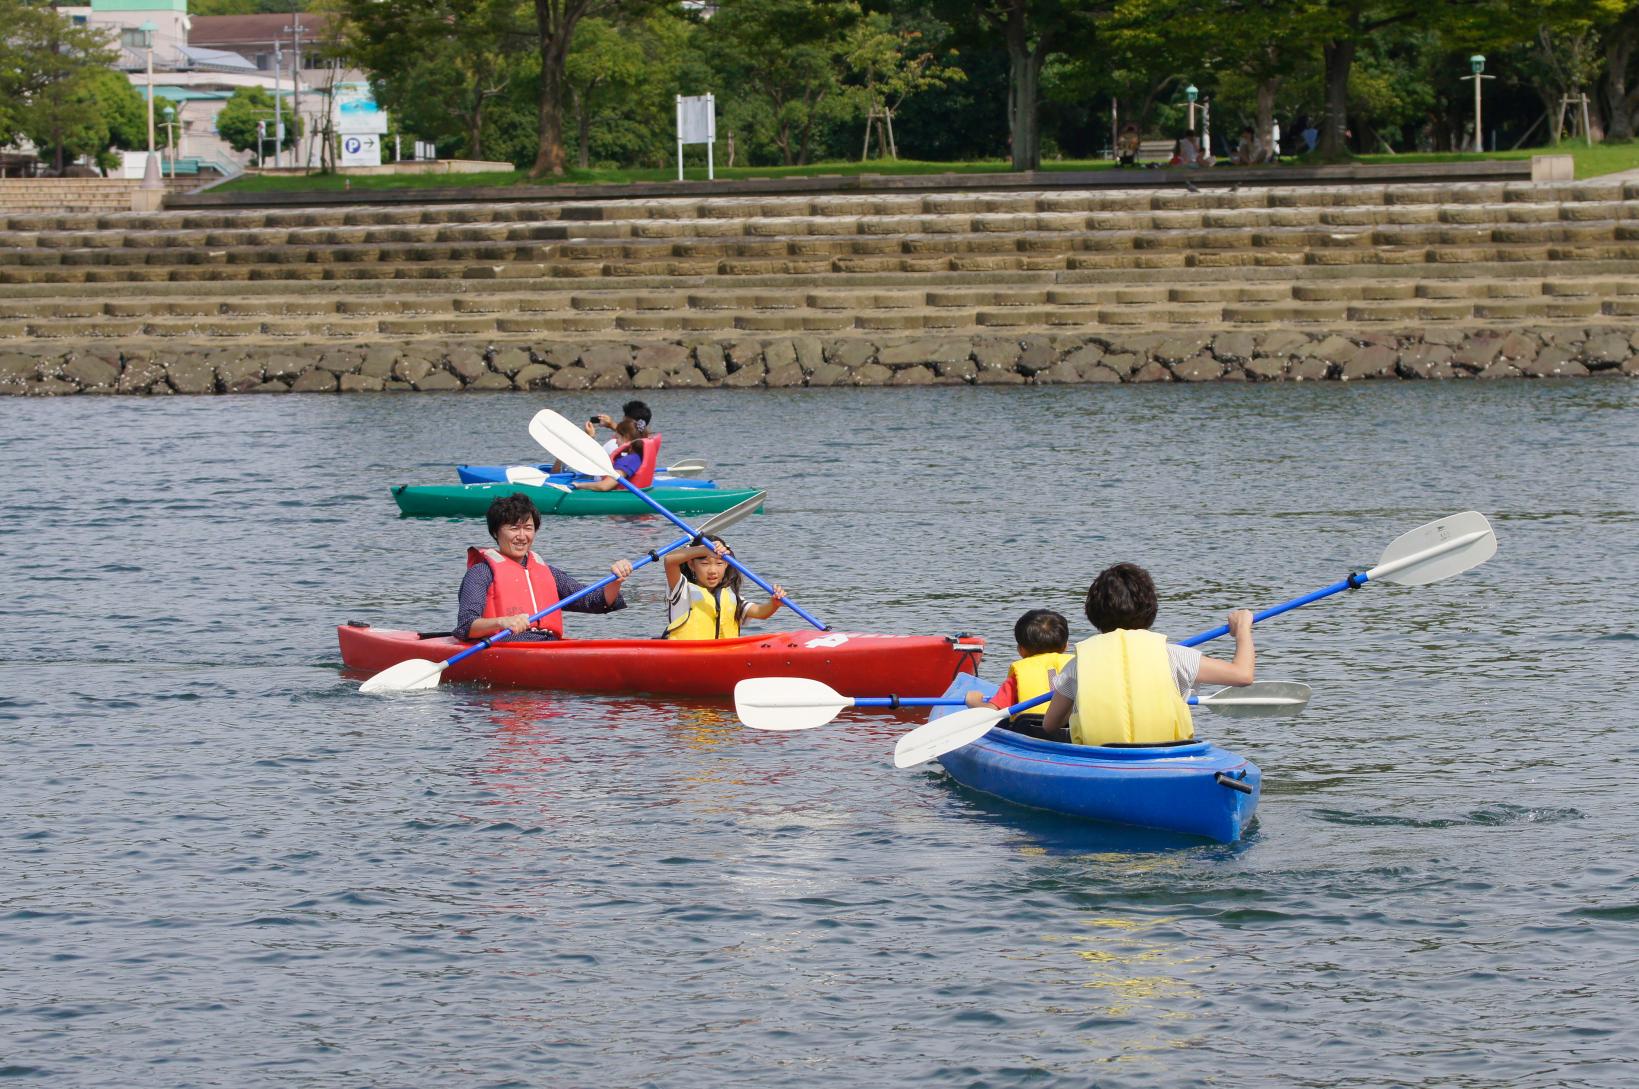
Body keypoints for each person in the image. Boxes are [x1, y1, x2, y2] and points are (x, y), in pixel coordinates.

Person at [1040, 563, 1254, 746]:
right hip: (1163, 760)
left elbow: (1050, 725)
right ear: (1151, 610)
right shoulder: (1176, 656)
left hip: (1101, 762)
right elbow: (1242, 675)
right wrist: (1243, 628)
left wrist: (1081, 703)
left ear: (1093, 615)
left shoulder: (1079, 665)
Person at [455, 493, 631, 641]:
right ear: (495, 532)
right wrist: (503, 622)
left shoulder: (547, 572)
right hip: (505, 646)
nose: (522, 536)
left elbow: (594, 601)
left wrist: (616, 580)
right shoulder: (481, 573)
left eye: (528, 528)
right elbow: (466, 625)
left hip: (547, 644)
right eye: (514, 528)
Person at [963, 609, 1073, 741]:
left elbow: (992, 713)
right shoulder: (1077, 667)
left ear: (1021, 650)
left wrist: (974, 701)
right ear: (1066, 646)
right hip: (1070, 733)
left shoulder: (1018, 676)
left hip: (1029, 733)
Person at [662, 536, 786, 639]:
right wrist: (704, 550)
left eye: (719, 563)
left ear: (726, 565)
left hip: (723, 656)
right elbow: (669, 561)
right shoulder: (681, 590)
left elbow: (760, 612)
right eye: (705, 564)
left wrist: (774, 604)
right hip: (687, 656)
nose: (712, 571)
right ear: (691, 565)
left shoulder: (731, 597)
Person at [572, 417, 647, 492]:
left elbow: (604, 486)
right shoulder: (638, 455)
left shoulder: (628, 461)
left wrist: (579, 485)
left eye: (617, 438)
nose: (616, 442)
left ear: (626, 438)